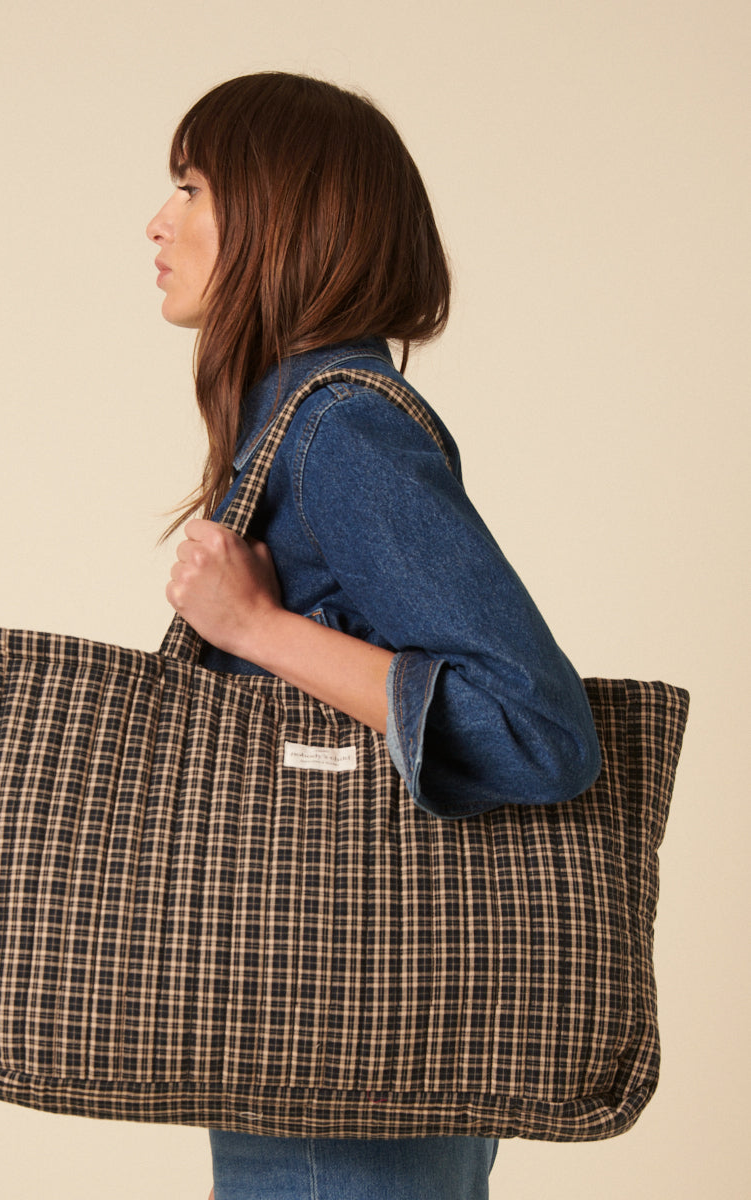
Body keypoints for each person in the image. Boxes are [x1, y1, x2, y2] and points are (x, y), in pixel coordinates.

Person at [147, 72, 600, 1200]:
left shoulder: (339, 426)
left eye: (191, 188)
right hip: (323, 1011)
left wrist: (252, 626)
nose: (156, 222)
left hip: (341, 1037)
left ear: (283, 215)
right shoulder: (300, 420)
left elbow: (536, 732)